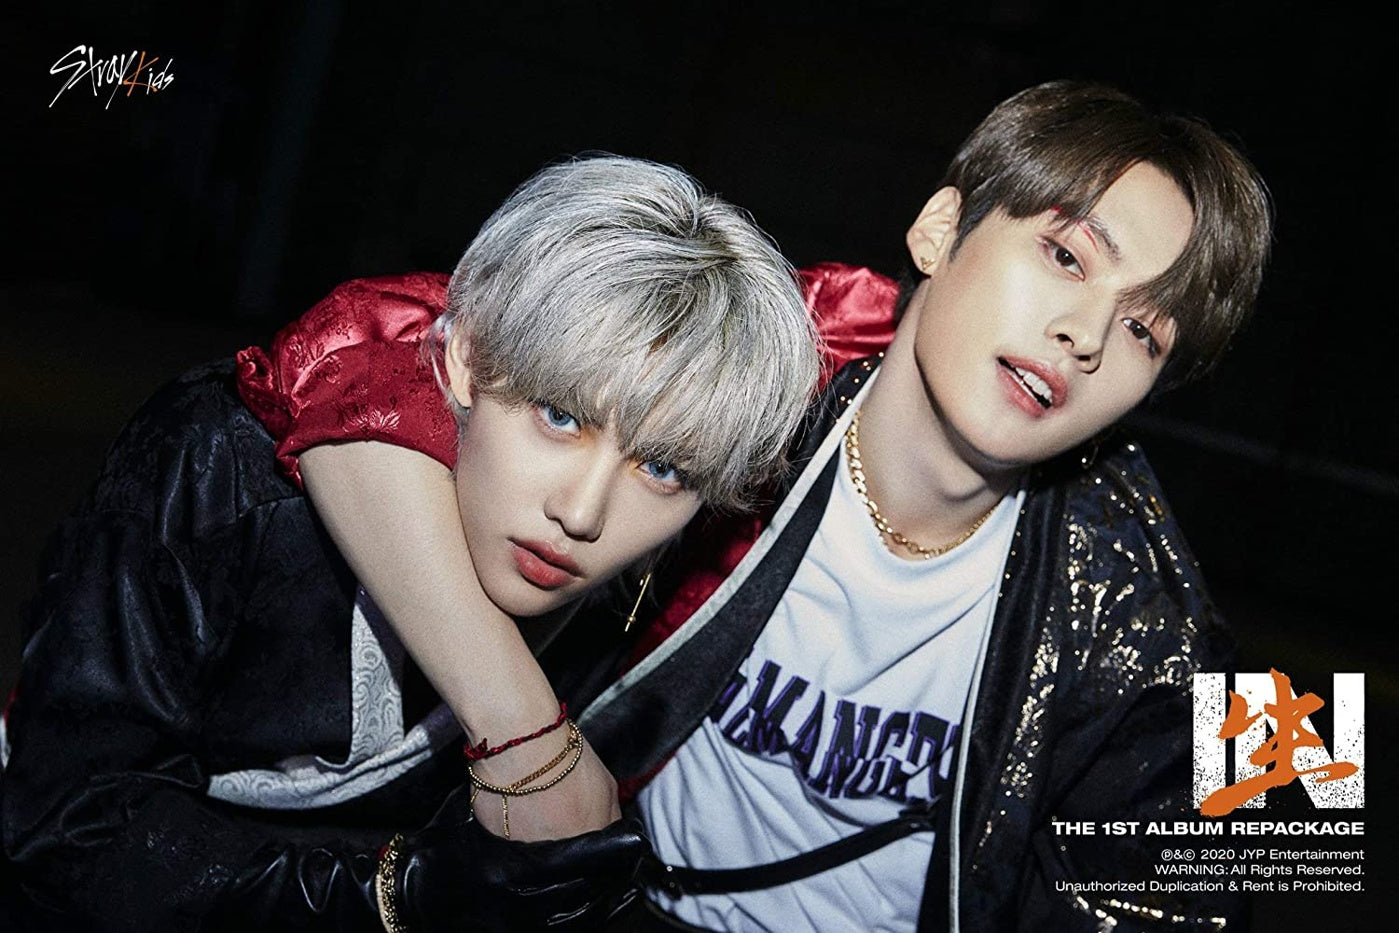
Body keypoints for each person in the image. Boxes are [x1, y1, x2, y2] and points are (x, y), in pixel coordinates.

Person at [216, 81, 1272, 931]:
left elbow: (1271, 848)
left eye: (1145, 332)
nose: (1084, 336)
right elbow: (358, 349)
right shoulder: (769, 365)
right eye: (1065, 256)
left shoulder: (1159, 612)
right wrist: (521, 736)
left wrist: (1277, 777)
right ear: (940, 227)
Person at [0, 156, 821, 931]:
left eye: (663, 467)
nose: (581, 512)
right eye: (560, 416)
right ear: (465, 358)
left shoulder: (631, 593)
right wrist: (397, 894)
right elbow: (60, 823)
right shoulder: (225, 471)